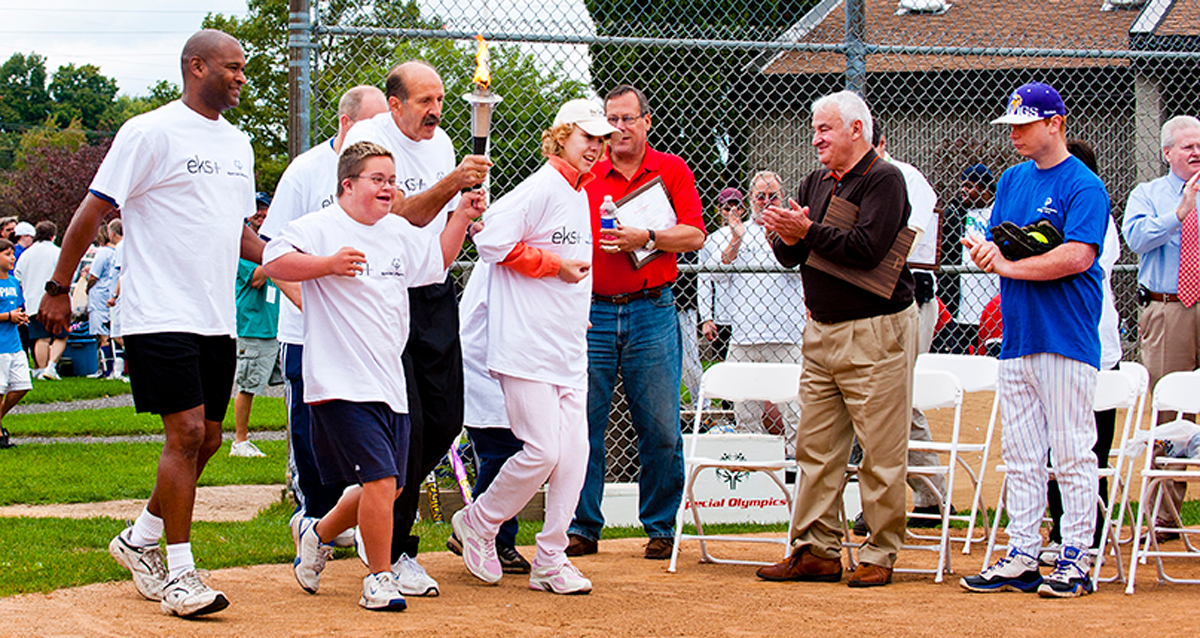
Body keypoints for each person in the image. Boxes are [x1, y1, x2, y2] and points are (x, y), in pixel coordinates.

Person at [37, 29, 263, 618]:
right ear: (197, 67)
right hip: (158, 309)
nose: (241, 77)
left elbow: (237, 231)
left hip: (216, 315)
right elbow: (94, 208)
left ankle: (137, 539)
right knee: (185, 433)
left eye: (243, 69)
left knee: (210, 439)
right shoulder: (148, 130)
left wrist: (296, 264)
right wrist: (59, 289)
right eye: (232, 68)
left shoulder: (238, 144)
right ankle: (182, 575)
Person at [267, 141, 474, 611]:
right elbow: (272, 260)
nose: (389, 188)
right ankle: (378, 578)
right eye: (378, 180)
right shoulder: (321, 227)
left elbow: (435, 264)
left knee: (390, 485)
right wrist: (326, 266)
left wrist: (460, 217)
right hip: (338, 382)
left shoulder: (396, 231)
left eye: (392, 180)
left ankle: (317, 534)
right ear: (348, 184)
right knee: (382, 482)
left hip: (389, 381)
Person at [753, 90, 916, 588]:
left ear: (856, 130)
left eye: (825, 128)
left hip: (875, 329)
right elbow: (792, 256)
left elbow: (867, 249)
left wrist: (806, 232)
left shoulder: (884, 179)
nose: (816, 137)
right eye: (815, 128)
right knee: (816, 447)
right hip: (821, 329)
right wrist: (781, 233)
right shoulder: (815, 181)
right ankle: (816, 549)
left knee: (880, 449)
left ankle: (880, 552)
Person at [452, 99, 615, 594]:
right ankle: (479, 521)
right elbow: (492, 242)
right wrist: (553, 265)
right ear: (562, 136)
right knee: (542, 450)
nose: (595, 147)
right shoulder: (542, 186)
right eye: (586, 136)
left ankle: (551, 557)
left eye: (600, 139)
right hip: (524, 347)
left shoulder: (577, 193)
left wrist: (572, 307)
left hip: (565, 347)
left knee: (574, 454)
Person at [340, 60, 491, 593]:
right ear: (395, 104)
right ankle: (396, 548)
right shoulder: (367, 139)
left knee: (447, 419)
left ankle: (353, 519)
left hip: (431, 290)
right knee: (409, 427)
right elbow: (397, 213)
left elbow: (438, 228)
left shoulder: (444, 143)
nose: (435, 112)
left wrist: (463, 211)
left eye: (440, 100)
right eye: (424, 101)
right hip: (383, 296)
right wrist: (455, 182)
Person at [958, 81, 1107, 598]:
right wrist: (989, 256)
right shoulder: (1011, 179)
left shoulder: (1083, 184)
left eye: (1025, 125)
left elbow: (1078, 256)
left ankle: (1075, 557)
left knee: (1071, 451)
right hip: (1017, 336)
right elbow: (1003, 244)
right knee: (1020, 453)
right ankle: (1022, 552)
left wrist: (1007, 266)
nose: (1015, 134)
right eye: (1012, 126)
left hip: (1064, 334)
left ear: (1055, 124)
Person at [566, 84, 705, 560]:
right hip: (592, 312)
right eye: (612, 120)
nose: (619, 128)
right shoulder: (587, 173)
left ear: (647, 122)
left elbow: (694, 234)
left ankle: (661, 526)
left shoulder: (670, 170)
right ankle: (582, 525)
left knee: (661, 424)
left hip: (652, 308)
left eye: (628, 119)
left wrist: (646, 236)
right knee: (584, 423)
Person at [259, 85, 389, 546]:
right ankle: (311, 515)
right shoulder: (307, 171)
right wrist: (310, 303)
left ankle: (340, 523)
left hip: (366, 339)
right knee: (312, 433)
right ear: (345, 122)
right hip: (307, 333)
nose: (380, 134)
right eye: (371, 124)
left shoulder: (384, 174)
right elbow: (271, 249)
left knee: (364, 435)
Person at [1036, 139, 1122, 564]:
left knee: (1089, 447)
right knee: (1055, 445)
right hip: (1055, 341)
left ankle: (1089, 535)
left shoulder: (1093, 209)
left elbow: (1078, 262)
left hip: (1095, 345)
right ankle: (1057, 529)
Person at [1121, 115, 1200, 538]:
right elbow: (1135, 240)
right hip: (1169, 309)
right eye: (1187, 146)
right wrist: (1178, 214)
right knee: (1171, 410)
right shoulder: (1148, 194)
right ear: (1167, 153)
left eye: (1199, 145)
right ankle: (1164, 517)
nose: (1196, 152)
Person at [698, 171, 805, 447]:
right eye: (760, 196)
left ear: (782, 198)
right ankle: (752, 459)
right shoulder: (735, 231)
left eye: (773, 196)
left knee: (794, 408)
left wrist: (774, 238)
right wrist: (737, 238)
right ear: (750, 199)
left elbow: (797, 271)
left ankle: (794, 463)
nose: (766, 202)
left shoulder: (793, 230)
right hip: (746, 334)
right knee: (744, 408)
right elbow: (719, 275)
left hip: (786, 333)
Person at [445, 258, 532, 575]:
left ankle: (484, 531)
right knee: (503, 455)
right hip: (485, 370)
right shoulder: (501, 258)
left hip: (505, 368)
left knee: (510, 454)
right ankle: (487, 533)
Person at [231, 197, 282, 458]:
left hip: (277, 326)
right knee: (248, 385)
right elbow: (256, 279)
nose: (262, 215)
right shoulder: (241, 248)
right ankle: (240, 441)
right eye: (257, 211)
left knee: (294, 384)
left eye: (266, 210)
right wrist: (280, 254)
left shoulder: (270, 245)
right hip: (254, 326)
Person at [937, 164, 997, 354]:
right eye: (963, 185)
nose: (964, 190)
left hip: (990, 289)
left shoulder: (999, 212)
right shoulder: (955, 215)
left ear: (985, 189)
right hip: (962, 299)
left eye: (970, 186)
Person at [14, 221, 67, 380]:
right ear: (53, 235)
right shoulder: (57, 252)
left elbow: (18, 277)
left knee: (41, 337)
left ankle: (40, 370)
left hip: (33, 300)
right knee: (60, 336)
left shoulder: (26, 254)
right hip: (55, 300)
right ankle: (51, 366)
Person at [697, 187, 742, 362]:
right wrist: (706, 317)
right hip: (722, 315)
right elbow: (704, 281)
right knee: (726, 367)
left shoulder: (752, 234)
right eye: (727, 208)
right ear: (719, 210)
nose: (732, 212)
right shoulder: (712, 240)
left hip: (745, 314)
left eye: (736, 207)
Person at [0, 240, 31, 450]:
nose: (12, 258)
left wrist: (20, 316)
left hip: (15, 344)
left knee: (22, 386)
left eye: (13, 254)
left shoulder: (12, 282)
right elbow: (8, 313)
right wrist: (7, 316)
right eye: (7, 254)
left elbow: (18, 307)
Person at [86, 218, 121, 378]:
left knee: (104, 334)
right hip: (109, 294)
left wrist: (87, 287)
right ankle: (110, 368)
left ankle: (107, 369)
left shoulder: (103, 253)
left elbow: (94, 275)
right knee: (110, 332)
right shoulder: (115, 252)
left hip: (101, 296)